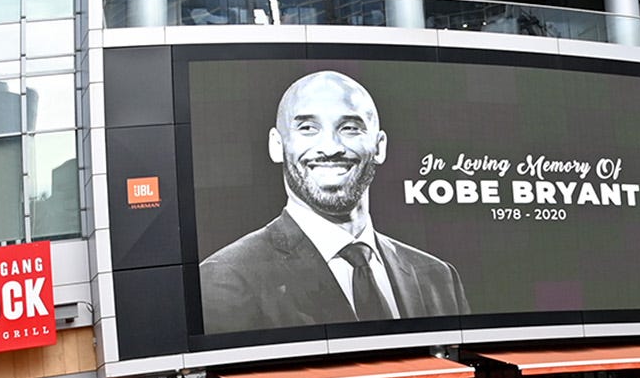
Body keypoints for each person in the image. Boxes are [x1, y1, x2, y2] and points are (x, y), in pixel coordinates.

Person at [198, 70, 468, 331]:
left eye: (350, 128)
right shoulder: (226, 278)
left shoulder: (437, 277)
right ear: (276, 145)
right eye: (307, 128)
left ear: (379, 146)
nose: (330, 147)